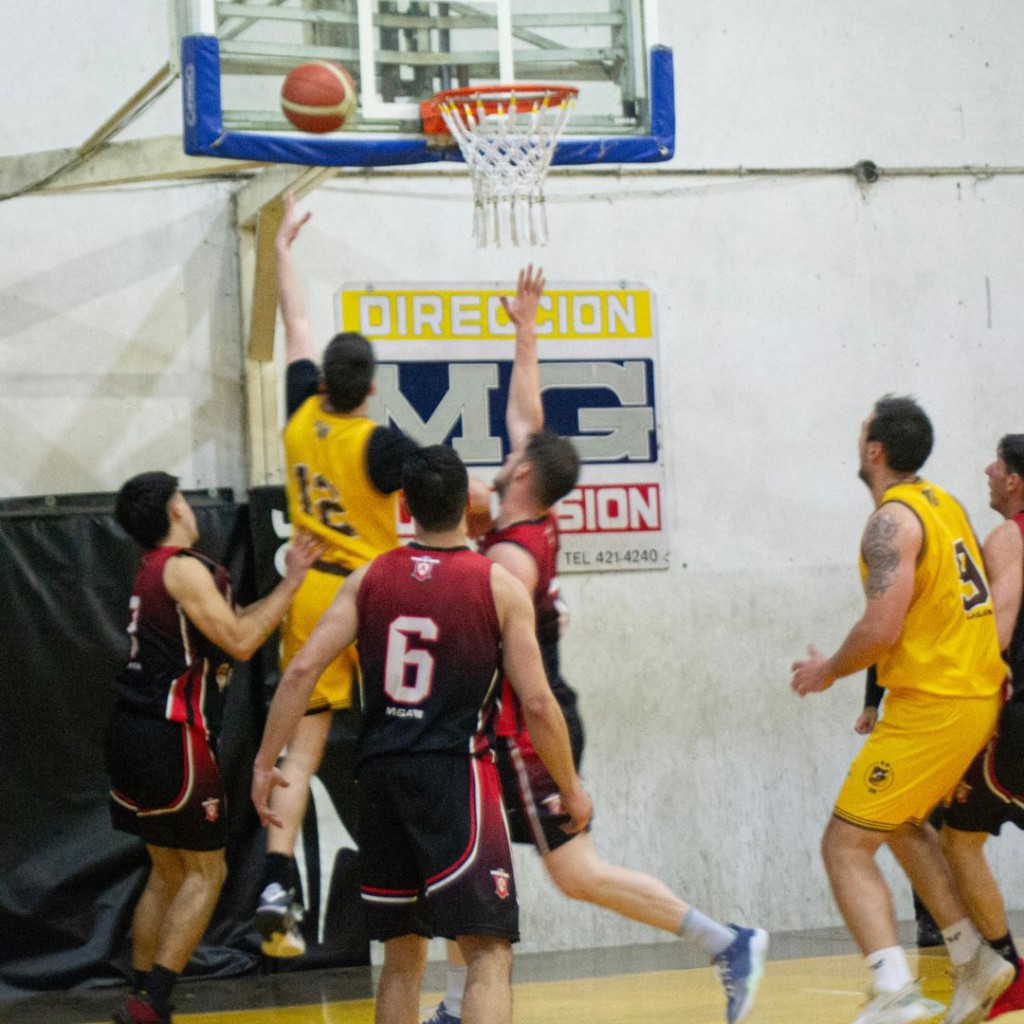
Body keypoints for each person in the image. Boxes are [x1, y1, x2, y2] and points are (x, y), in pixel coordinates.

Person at [424, 266, 768, 1024]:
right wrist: (525, 330)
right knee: (474, 856)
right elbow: (528, 414)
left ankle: (726, 942)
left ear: (521, 475)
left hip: (526, 724)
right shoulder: (524, 517)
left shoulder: (509, 559)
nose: (506, 453)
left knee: (570, 873)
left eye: (513, 455)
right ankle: (452, 1006)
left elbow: (490, 647)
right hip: (515, 720)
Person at [251, 445, 592, 1024]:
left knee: (400, 958)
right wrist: (571, 788)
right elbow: (537, 702)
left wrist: (264, 762)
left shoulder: (368, 578)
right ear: (466, 504)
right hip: (454, 774)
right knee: (487, 953)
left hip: (381, 776)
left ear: (404, 507)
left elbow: (302, 670)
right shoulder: (497, 585)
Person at [791, 396, 1014, 1024]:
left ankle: (894, 989)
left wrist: (826, 672)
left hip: (936, 705)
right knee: (896, 822)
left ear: (875, 450)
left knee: (843, 845)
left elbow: (880, 629)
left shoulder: (891, 521)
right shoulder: (945, 504)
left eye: (862, 431)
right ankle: (973, 959)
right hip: (971, 696)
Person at [255, 191, 421, 957]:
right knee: (400, 734)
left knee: (304, 752)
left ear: (323, 378)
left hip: (313, 592)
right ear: (372, 389)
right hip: (376, 596)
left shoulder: (299, 411)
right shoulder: (380, 446)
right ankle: (416, 860)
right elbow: (440, 492)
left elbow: (296, 321)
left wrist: (283, 249)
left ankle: (275, 881)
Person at [106, 472, 321, 1024]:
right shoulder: (183, 568)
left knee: (167, 871)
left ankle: (140, 995)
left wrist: (281, 589)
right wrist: (293, 584)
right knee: (208, 873)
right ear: (174, 509)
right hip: (170, 734)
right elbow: (243, 642)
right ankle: (154, 1002)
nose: (189, 504)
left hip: (132, 731)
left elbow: (233, 625)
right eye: (183, 497)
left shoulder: (153, 569)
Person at [940, 435, 1024, 1019]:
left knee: (957, 838)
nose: (988, 470)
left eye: (997, 463)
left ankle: (1007, 969)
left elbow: (998, 626)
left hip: (1013, 715)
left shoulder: (1009, 536)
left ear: (1015, 480)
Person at [855, 667, 944, 950]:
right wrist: (871, 703)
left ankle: (956, 919)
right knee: (923, 823)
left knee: (960, 833)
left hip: (960, 719)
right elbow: (879, 648)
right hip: (915, 725)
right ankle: (931, 919)